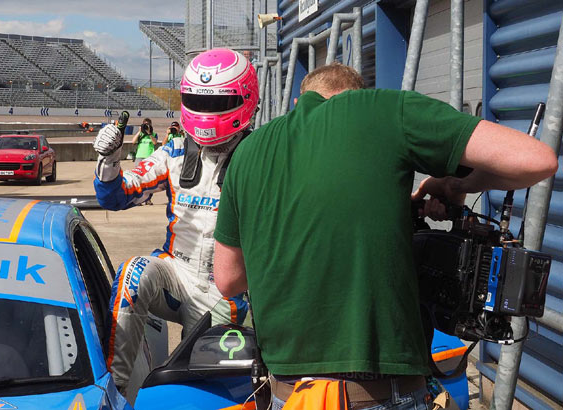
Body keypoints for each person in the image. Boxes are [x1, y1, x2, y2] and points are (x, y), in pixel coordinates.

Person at [213, 63, 558, 409]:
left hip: (287, 396)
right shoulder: (385, 109)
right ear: (358, 94)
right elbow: (536, 159)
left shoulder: (247, 151)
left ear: (297, 100)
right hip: (381, 395)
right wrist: (453, 184)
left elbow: (228, 279)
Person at [92, 47, 259, 392]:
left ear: (245, 99)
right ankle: (117, 391)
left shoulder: (262, 155)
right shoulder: (174, 152)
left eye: (215, 102)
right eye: (196, 99)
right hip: (174, 274)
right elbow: (113, 196)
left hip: (224, 290)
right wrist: (108, 160)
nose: (204, 111)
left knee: (200, 382)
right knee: (132, 273)